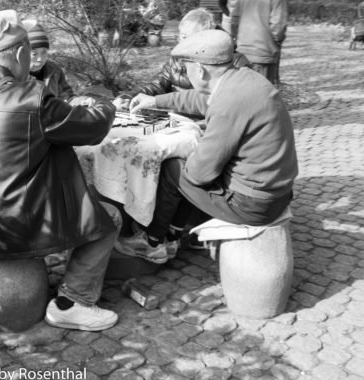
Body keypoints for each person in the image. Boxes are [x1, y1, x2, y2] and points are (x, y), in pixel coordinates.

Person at [0, 10, 119, 331]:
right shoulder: (32, 97)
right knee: (109, 220)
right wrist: (105, 103)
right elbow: (93, 128)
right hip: (15, 218)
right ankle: (74, 301)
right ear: (21, 52)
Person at [114, 29, 298, 264]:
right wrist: (155, 100)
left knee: (173, 169)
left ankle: (152, 243)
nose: (185, 72)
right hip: (276, 190)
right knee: (186, 166)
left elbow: (200, 174)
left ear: (199, 69)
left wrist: (191, 153)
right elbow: (200, 100)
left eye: (186, 67)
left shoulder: (229, 102)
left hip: (253, 204)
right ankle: (172, 235)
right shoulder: (242, 79)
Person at [113, 8, 250, 111]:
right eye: (182, 36)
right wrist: (128, 97)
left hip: (207, 123)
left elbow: (219, 102)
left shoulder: (234, 62)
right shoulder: (177, 57)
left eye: (192, 38)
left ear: (208, 36)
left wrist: (158, 101)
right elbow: (157, 85)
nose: (185, 43)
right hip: (177, 120)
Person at [229, 0, 287, 85]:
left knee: (242, 93)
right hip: (263, 52)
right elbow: (278, 26)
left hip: (242, 52)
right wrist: (276, 43)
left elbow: (234, 20)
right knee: (263, 94)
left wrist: (237, 39)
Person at [21, 21, 75, 101]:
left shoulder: (54, 70)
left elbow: (68, 97)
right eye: (34, 54)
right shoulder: (16, 76)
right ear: (22, 54)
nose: (40, 59)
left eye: (44, 52)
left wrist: (80, 101)